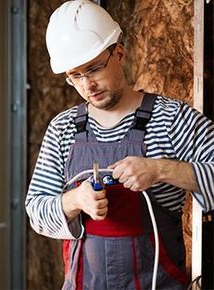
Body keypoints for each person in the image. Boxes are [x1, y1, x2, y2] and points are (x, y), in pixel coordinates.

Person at [25, 1, 214, 289]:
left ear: (120, 54)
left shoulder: (172, 119)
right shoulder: (63, 129)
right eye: (76, 76)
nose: (88, 85)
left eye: (94, 68)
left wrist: (160, 169)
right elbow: (37, 211)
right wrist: (76, 200)